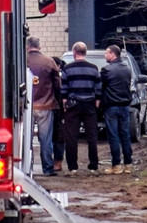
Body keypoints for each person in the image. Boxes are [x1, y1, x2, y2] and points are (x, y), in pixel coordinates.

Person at [61, 41, 101, 176]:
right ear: (85, 53)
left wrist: (65, 102)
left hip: (73, 105)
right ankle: (93, 166)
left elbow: (64, 88)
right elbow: (98, 89)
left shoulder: (68, 69)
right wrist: (96, 102)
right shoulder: (94, 68)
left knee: (71, 137)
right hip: (89, 104)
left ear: (74, 53)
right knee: (92, 136)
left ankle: (73, 167)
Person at [25, 36, 61, 177]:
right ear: (39, 47)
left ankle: (26, 168)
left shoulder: (23, 61)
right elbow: (57, 84)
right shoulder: (49, 61)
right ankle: (48, 168)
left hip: (27, 106)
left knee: (26, 139)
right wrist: (55, 99)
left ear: (27, 47)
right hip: (45, 105)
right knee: (45, 139)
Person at [100, 44, 133, 174]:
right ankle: (128, 164)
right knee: (125, 134)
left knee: (113, 135)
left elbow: (101, 87)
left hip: (111, 106)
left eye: (106, 53)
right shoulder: (127, 69)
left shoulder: (106, 70)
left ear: (113, 54)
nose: (105, 55)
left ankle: (116, 165)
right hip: (125, 106)